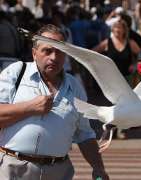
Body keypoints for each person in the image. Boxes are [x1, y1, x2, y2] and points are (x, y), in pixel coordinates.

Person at [0, 24, 109, 180]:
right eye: (47, 51)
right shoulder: (16, 72)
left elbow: (85, 134)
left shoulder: (75, 86)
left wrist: (98, 168)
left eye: (59, 51)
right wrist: (30, 108)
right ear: (34, 53)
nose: (54, 57)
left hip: (58, 171)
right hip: (13, 169)